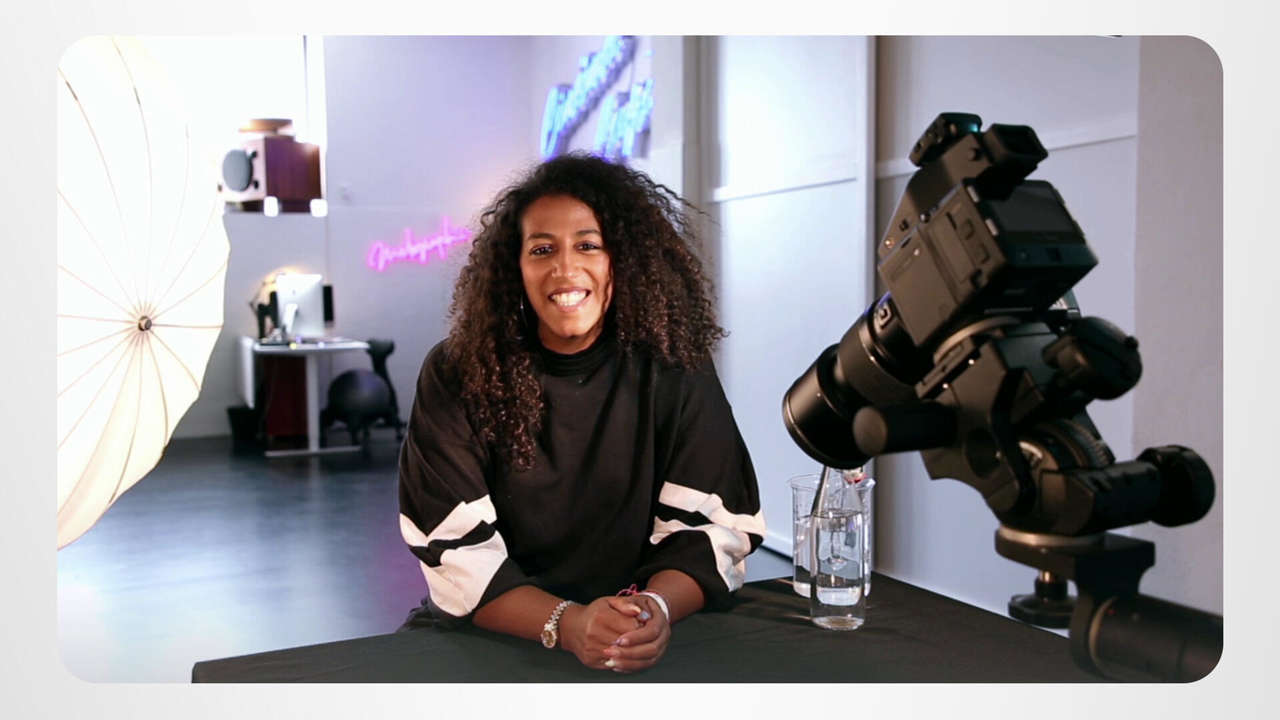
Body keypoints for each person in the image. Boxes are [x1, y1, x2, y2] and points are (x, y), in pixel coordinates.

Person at [397, 153, 764, 673]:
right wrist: (567, 624)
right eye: (542, 249)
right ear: (515, 268)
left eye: (588, 245)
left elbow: (712, 527)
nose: (565, 268)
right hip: (494, 636)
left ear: (623, 259)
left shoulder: (673, 365)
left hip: (631, 635)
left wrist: (654, 610)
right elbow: (456, 552)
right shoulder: (458, 372)